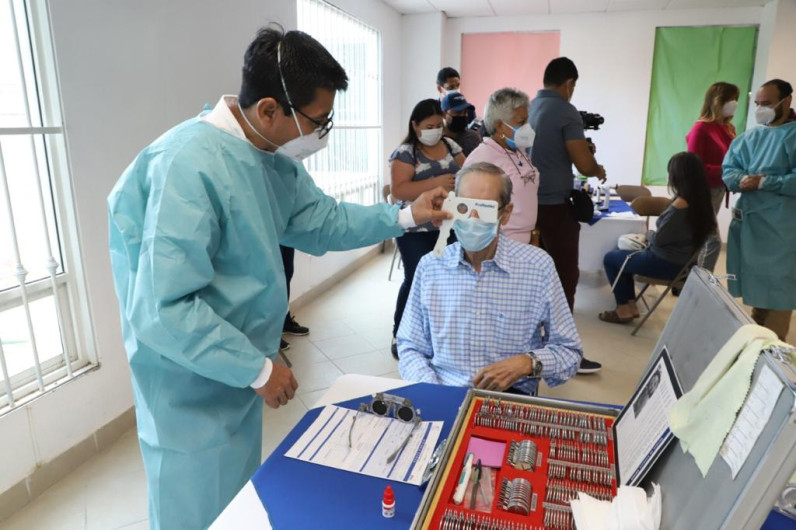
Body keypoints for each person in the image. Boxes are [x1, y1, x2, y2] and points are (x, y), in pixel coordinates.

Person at [107, 26, 449, 530]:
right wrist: (259, 370)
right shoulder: (186, 166)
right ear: (269, 109)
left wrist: (405, 215)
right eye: (317, 121)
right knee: (197, 507)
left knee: (235, 497)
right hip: (190, 382)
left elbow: (324, 220)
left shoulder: (265, 161)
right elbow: (165, 307)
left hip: (236, 368)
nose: (319, 134)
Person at [397, 162, 582, 395]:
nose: (472, 218)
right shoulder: (431, 267)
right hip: (443, 390)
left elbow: (569, 352)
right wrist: (434, 391)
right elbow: (410, 346)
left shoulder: (537, 267)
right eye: (464, 207)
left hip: (509, 397)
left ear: (505, 214)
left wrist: (527, 363)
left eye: (484, 209)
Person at [529, 57, 606, 373]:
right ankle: (564, 354)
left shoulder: (532, 108)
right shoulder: (565, 110)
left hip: (530, 205)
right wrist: (595, 164)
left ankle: (538, 346)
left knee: (538, 278)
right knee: (564, 278)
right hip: (555, 207)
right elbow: (585, 166)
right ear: (569, 84)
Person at [389, 99, 466, 359]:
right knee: (415, 280)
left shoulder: (451, 146)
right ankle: (400, 334)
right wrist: (435, 182)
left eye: (438, 125)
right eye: (428, 126)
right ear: (415, 125)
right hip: (414, 229)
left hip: (449, 223)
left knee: (447, 281)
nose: (435, 130)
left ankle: (435, 334)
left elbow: (467, 174)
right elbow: (399, 190)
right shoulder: (406, 153)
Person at [600, 152, 716, 323]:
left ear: (678, 176)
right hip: (683, 264)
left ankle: (624, 309)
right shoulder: (702, 203)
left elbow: (660, 239)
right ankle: (629, 306)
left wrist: (648, 235)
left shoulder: (681, 205)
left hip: (665, 263)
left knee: (611, 258)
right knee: (621, 254)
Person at [723, 78, 796, 341]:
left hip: (782, 229)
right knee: (757, 286)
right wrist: (740, 180)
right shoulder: (749, 137)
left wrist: (765, 181)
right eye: (757, 103)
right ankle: (754, 343)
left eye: (766, 103)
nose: (760, 109)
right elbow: (729, 169)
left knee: (780, 290)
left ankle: (773, 353)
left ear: (786, 101)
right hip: (751, 224)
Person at [464, 88, 539, 245]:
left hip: (527, 240)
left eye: (527, 121)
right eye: (521, 122)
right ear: (499, 126)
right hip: (500, 244)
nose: (527, 127)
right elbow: (471, 213)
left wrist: (533, 236)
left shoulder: (519, 152)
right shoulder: (482, 158)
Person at [686, 82, 739, 272]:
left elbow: (734, 157)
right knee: (713, 241)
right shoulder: (701, 128)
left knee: (700, 239)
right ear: (717, 101)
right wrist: (725, 169)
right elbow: (694, 166)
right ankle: (701, 286)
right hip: (701, 191)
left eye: (736, 99)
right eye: (730, 99)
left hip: (718, 189)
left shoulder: (728, 128)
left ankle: (686, 280)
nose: (734, 103)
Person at [279, 245, 309, 351]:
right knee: (275, 279)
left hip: (283, 235)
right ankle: (270, 333)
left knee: (286, 273)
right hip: (266, 235)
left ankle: (285, 322)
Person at [441, 91, 482, 156]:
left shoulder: (472, 137)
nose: (462, 116)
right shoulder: (438, 140)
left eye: (465, 112)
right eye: (458, 112)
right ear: (444, 114)